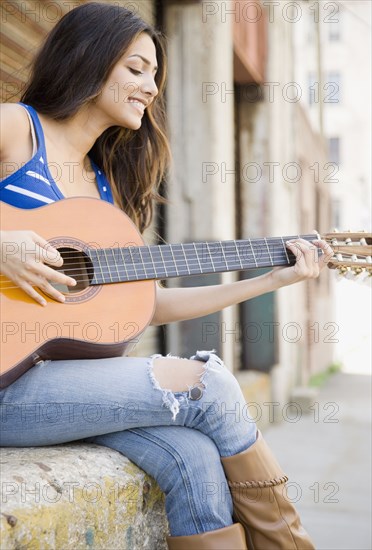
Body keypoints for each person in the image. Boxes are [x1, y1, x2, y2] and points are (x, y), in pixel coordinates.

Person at [0, 3, 333, 549]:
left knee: (194, 456)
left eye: (154, 74)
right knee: (207, 381)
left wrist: (270, 281)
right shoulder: (18, 130)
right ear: (89, 58)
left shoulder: (106, 191)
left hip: (50, 385)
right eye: (135, 68)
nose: (150, 87)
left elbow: (149, 305)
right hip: (8, 393)